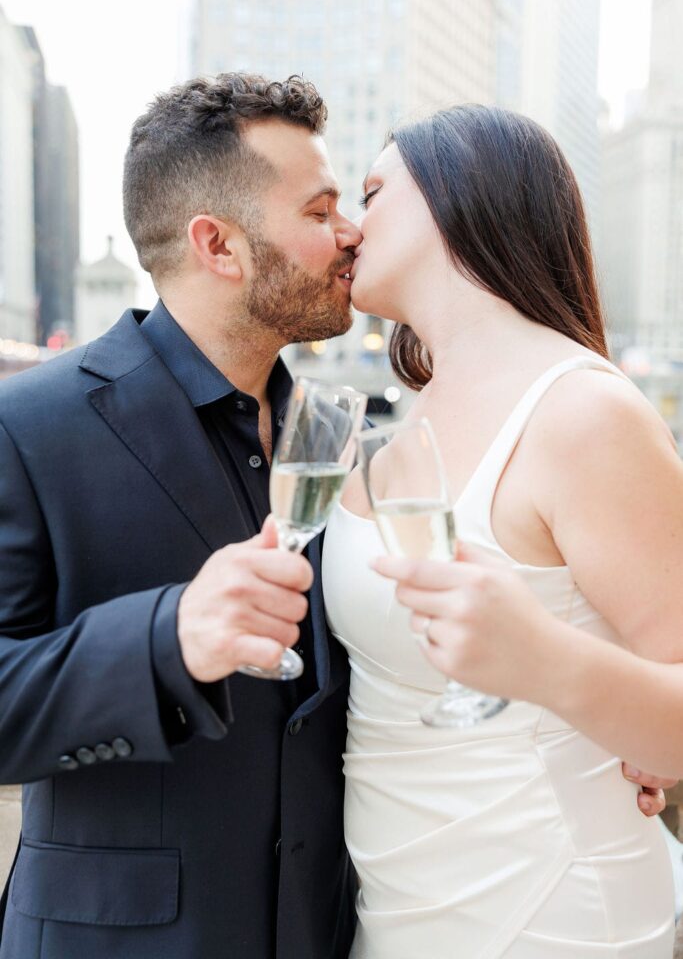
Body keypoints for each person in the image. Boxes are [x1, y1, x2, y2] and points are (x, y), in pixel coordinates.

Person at [0, 73, 362, 959]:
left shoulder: (334, 433)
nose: (351, 232)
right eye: (319, 213)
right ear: (219, 246)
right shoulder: (28, 424)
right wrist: (167, 640)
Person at [322, 104, 679, 956]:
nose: (348, 225)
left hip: (551, 909)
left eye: (372, 192)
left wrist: (546, 661)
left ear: (459, 198)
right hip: (395, 909)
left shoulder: (581, 411)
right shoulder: (401, 428)